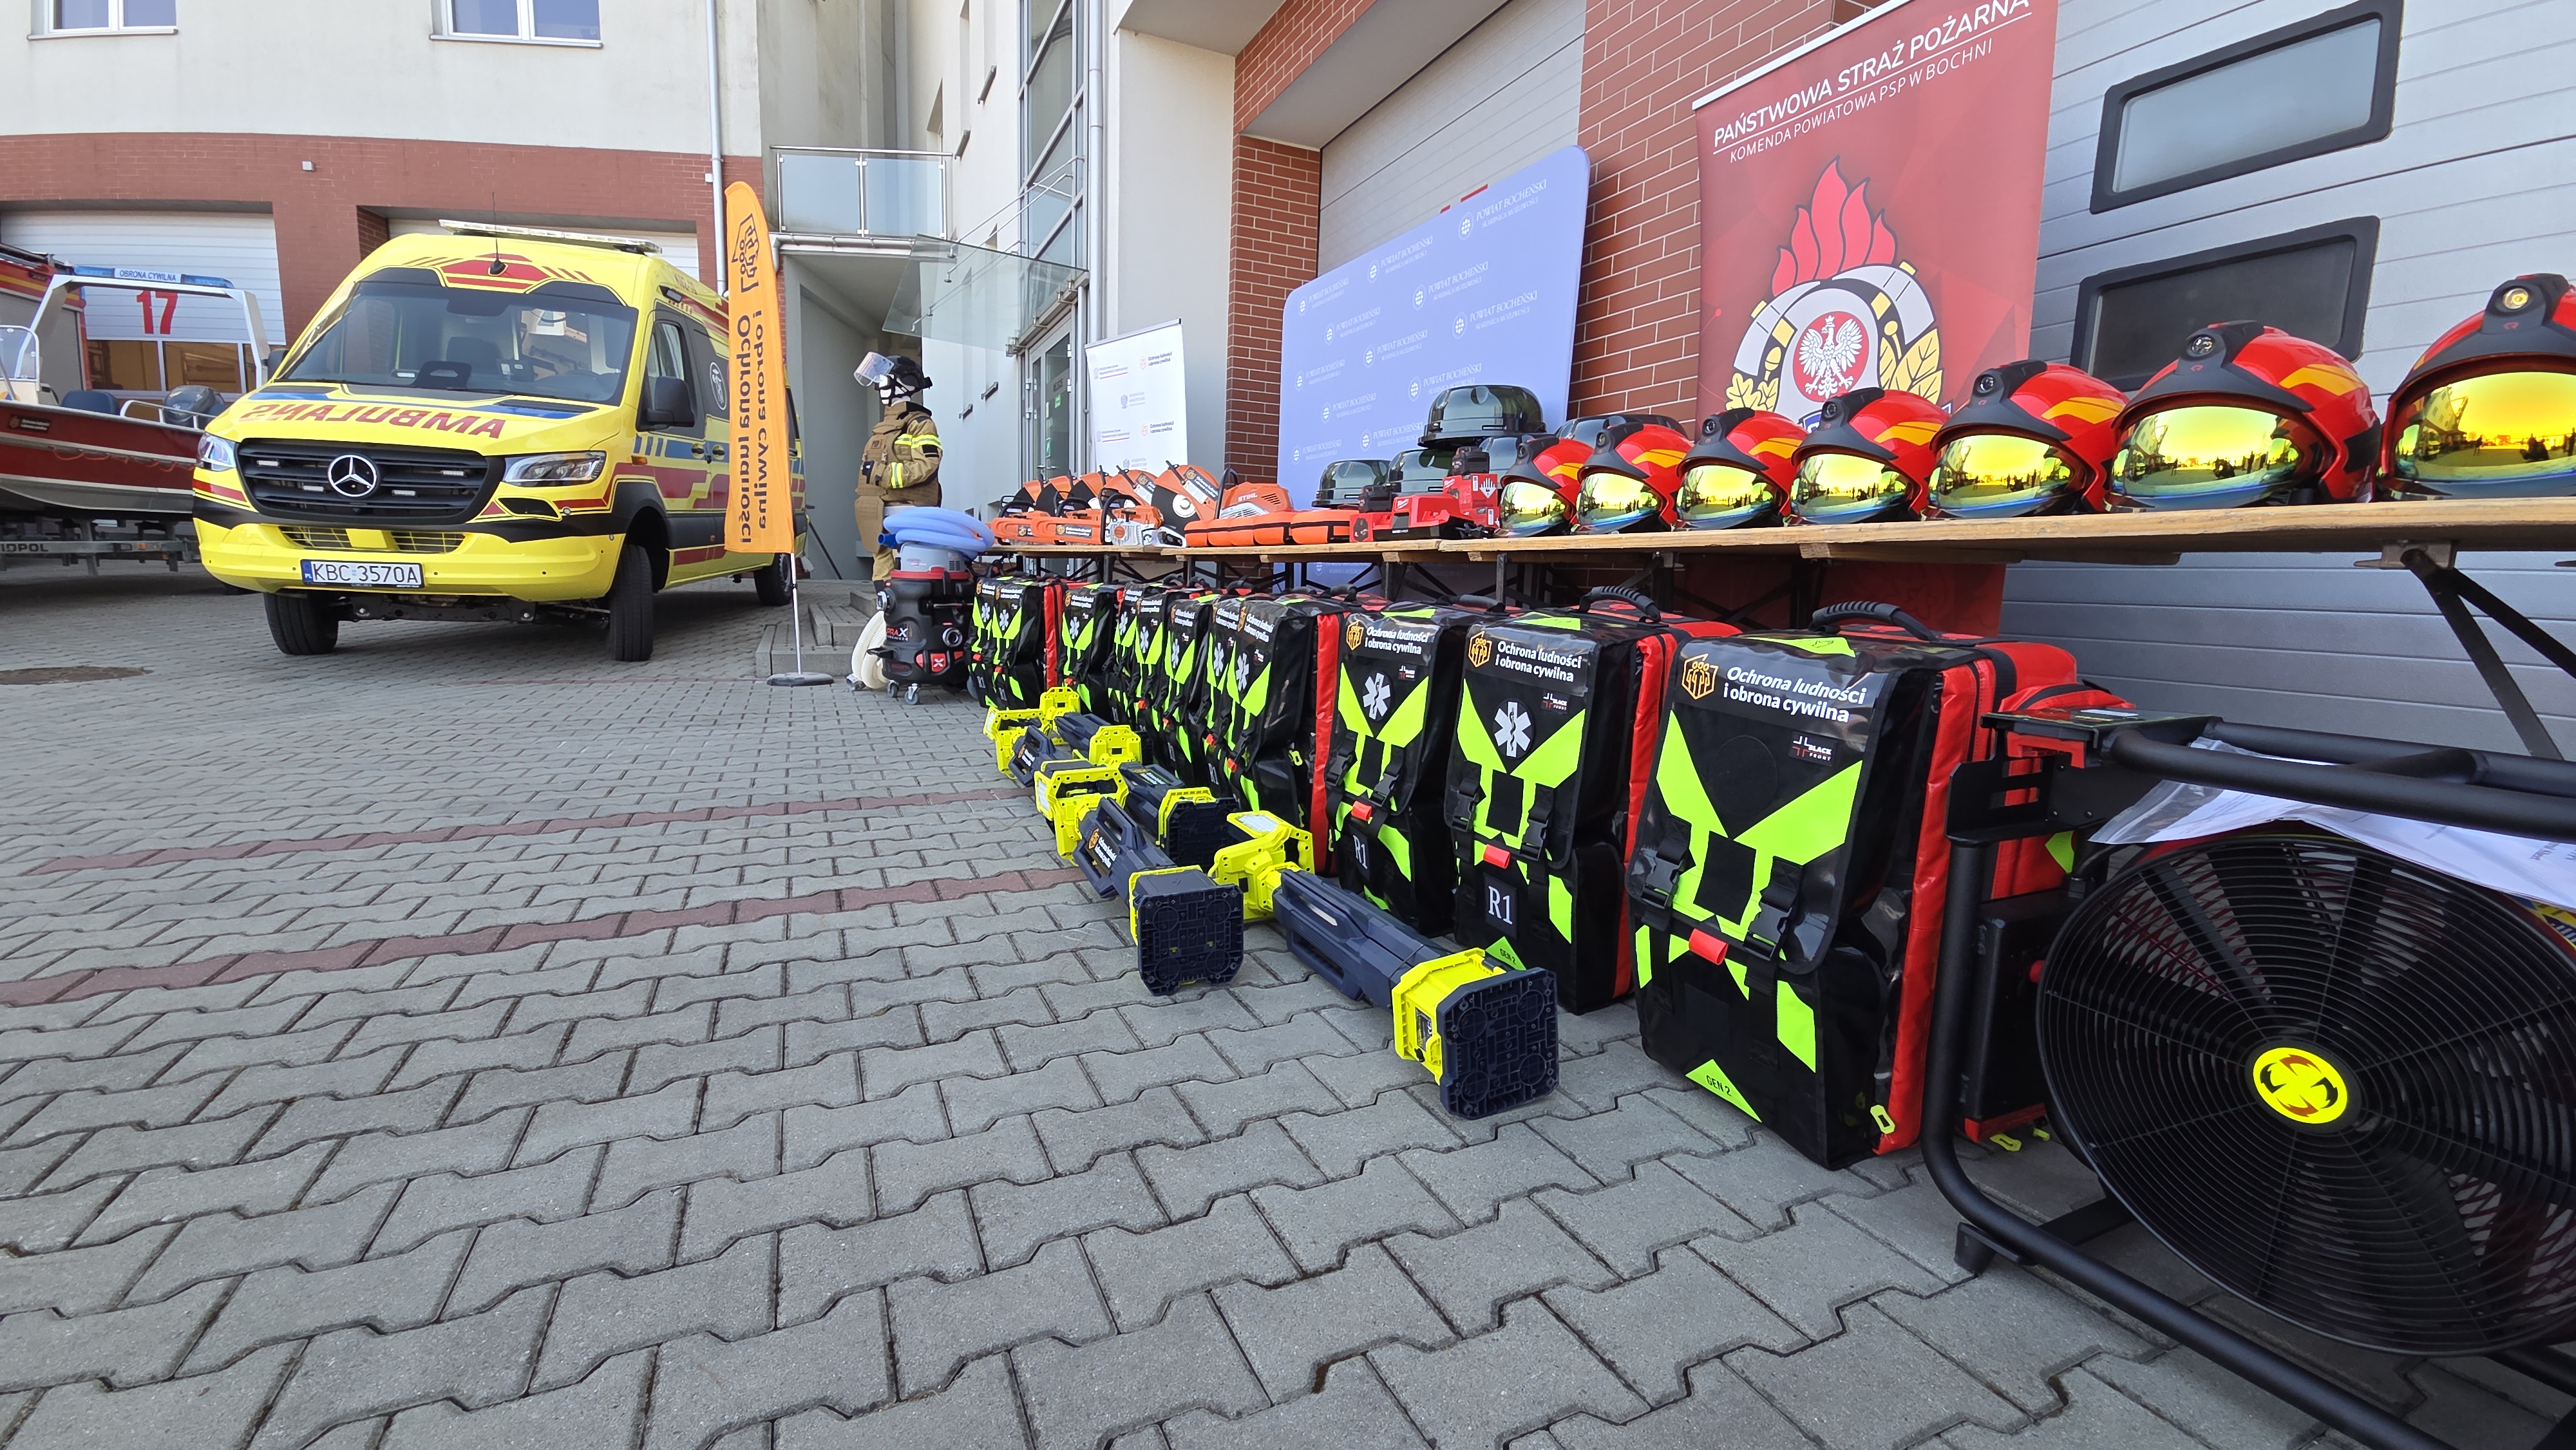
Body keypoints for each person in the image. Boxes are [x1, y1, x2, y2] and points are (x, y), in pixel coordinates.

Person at [854, 351, 943, 579]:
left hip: (907, 509)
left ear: (905, 384)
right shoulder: (884, 428)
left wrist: (883, 474)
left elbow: (928, 464)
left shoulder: (920, 424)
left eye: (884, 380)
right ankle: (884, 602)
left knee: (908, 567)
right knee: (881, 568)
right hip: (878, 509)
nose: (879, 387)